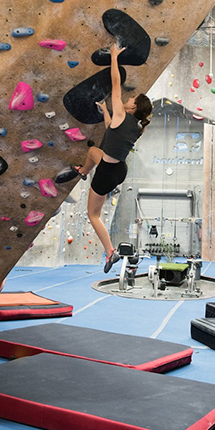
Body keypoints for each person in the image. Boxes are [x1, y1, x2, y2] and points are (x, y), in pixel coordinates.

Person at [56, 42, 152, 273]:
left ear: (134, 106)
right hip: (117, 169)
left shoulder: (123, 112)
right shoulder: (136, 126)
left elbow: (116, 82)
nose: (129, 98)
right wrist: (104, 110)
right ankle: (82, 172)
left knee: (93, 214)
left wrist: (114, 57)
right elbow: (111, 130)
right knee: (93, 152)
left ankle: (110, 251)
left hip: (108, 173)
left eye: (133, 99)